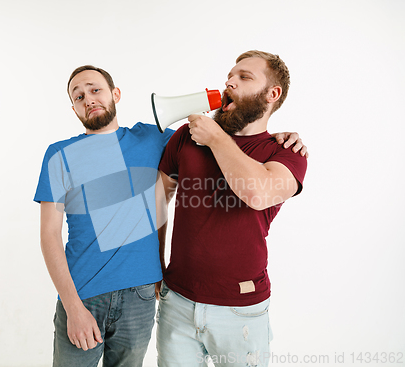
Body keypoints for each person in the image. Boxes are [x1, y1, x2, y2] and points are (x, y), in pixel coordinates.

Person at [34, 64, 307, 367]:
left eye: (95, 89)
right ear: (73, 108)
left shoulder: (153, 138)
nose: (88, 99)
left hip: (140, 294)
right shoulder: (58, 154)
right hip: (85, 295)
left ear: (116, 94)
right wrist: (72, 307)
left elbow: (236, 144)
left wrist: (276, 135)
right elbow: (49, 235)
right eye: (78, 96)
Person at [156, 50, 308, 367]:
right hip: (177, 303)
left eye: (244, 77)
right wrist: (155, 265)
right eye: (230, 75)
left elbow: (257, 193)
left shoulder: (286, 153)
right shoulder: (186, 137)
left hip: (241, 311)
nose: (230, 82)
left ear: (272, 94)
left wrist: (217, 139)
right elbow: (157, 199)